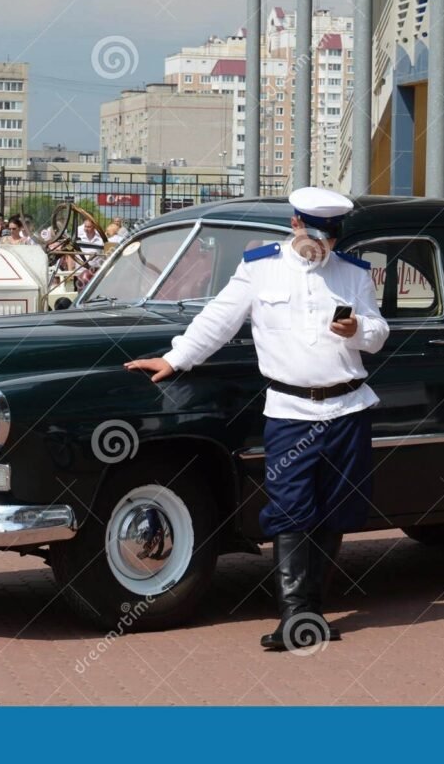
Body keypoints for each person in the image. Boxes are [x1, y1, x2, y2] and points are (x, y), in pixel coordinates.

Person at [125, 187, 389, 651]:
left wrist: (359, 330)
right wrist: (176, 358)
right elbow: (218, 319)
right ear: (294, 225)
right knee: (289, 509)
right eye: (314, 233)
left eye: (330, 236)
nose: (321, 244)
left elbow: (378, 333)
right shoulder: (260, 267)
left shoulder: (353, 274)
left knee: (337, 509)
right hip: (290, 411)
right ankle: (293, 614)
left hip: (347, 408)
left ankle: (313, 610)